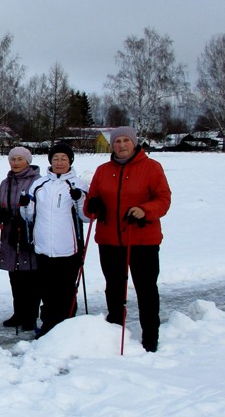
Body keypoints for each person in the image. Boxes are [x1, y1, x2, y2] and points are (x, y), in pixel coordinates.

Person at [84, 127, 171, 352]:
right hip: (109, 239)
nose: (121, 145)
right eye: (117, 141)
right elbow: (90, 201)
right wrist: (93, 206)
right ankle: (115, 330)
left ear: (134, 143)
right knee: (113, 288)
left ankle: (150, 336)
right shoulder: (103, 170)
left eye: (126, 141)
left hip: (142, 239)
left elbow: (163, 199)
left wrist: (145, 210)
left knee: (146, 289)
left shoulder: (151, 167)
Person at [20, 143, 90, 338]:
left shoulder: (78, 183)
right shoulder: (40, 184)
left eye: (64, 159)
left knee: (66, 289)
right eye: (56, 158)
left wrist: (80, 199)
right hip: (43, 247)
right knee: (46, 290)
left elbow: (86, 216)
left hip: (68, 248)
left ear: (70, 161)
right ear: (50, 161)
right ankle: (48, 326)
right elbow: (29, 215)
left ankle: (66, 327)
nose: (59, 162)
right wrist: (24, 205)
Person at [0, 146, 42, 331]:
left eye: (20, 159)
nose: (15, 163)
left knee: (30, 276)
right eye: (13, 159)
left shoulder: (37, 181)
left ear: (28, 161)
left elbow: (42, 207)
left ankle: (30, 316)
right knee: (15, 276)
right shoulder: (6, 182)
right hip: (10, 234)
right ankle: (19, 313)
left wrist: (27, 215)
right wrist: (0, 215)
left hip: (29, 234)